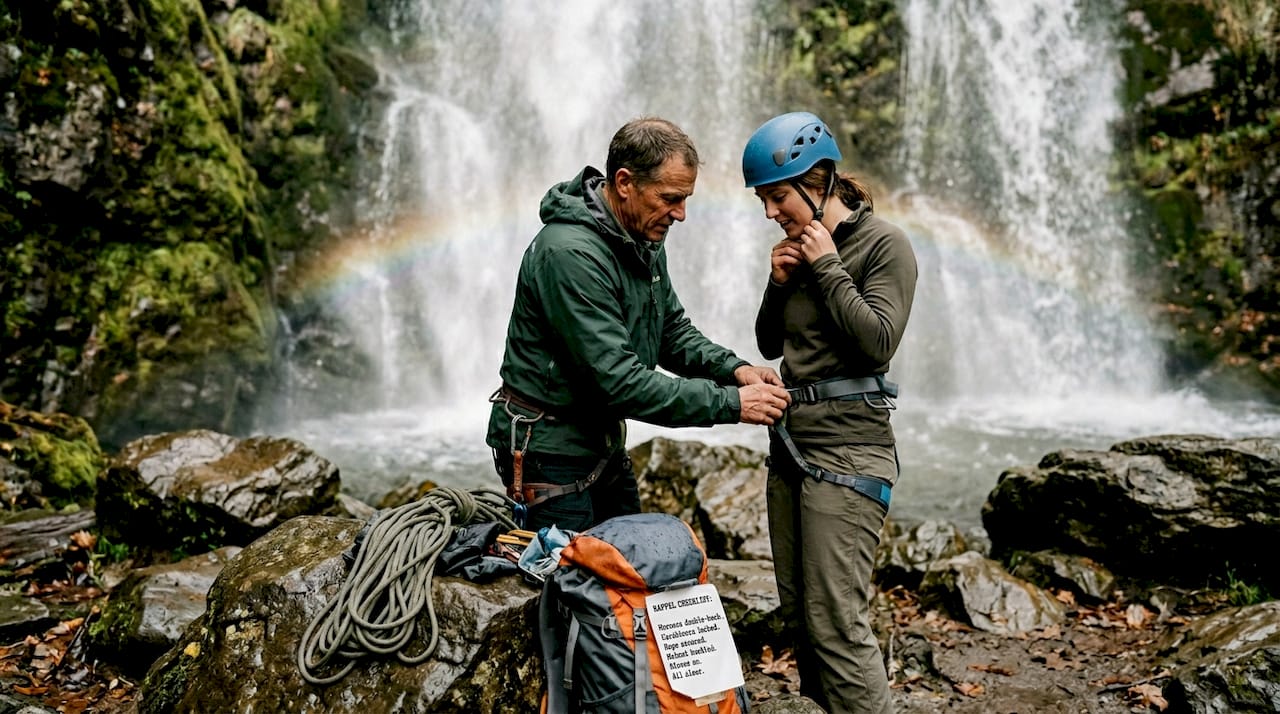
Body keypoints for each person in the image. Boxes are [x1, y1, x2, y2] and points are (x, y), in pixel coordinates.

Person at [487, 116, 791, 533]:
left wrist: (734, 370)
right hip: (549, 453)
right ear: (625, 183)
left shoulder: (641, 235)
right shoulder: (569, 254)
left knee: (631, 571)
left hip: (601, 443)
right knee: (571, 589)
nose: (680, 214)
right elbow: (619, 382)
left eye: (685, 199)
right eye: (670, 198)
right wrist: (733, 404)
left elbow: (670, 331)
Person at [742, 111, 917, 714]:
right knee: (800, 617)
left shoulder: (884, 244)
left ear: (818, 181)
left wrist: (825, 266)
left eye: (778, 197)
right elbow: (771, 344)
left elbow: (877, 342)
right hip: (791, 448)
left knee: (836, 621)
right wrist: (777, 281)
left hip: (850, 451)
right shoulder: (796, 248)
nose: (771, 213)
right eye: (764, 201)